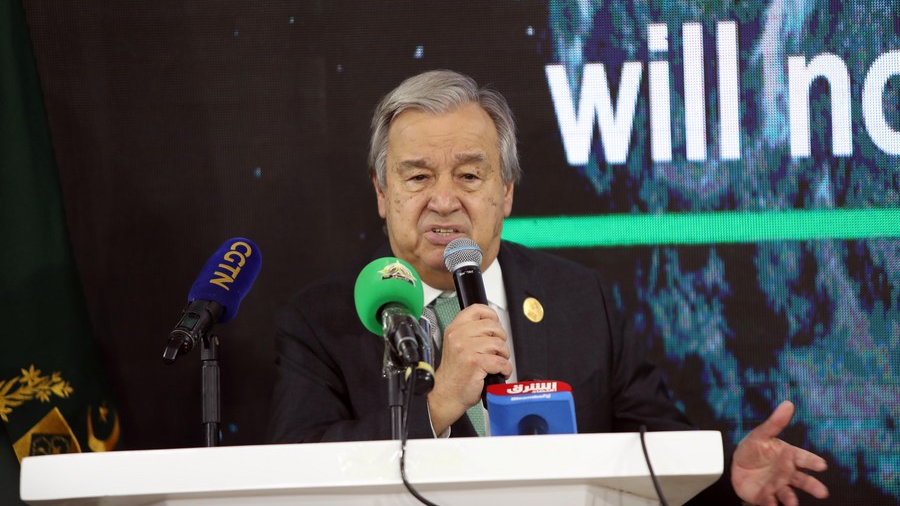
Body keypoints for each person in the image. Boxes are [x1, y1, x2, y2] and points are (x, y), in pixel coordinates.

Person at [268, 69, 829, 506]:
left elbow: (652, 452)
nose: (444, 201)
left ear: (506, 192)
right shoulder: (322, 320)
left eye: (469, 175)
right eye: (417, 177)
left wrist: (727, 478)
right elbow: (293, 473)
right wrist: (438, 405)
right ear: (382, 193)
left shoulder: (577, 298)